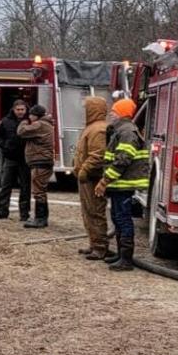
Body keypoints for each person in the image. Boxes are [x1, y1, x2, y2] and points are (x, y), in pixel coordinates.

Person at [95, 98, 149, 271]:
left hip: (123, 184)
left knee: (123, 219)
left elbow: (122, 160)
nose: (111, 114)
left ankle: (126, 259)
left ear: (121, 113)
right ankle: (121, 255)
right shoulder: (122, 130)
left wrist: (105, 181)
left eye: (114, 111)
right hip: (119, 184)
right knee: (118, 218)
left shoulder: (126, 132)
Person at [72, 96, 112, 259]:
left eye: (87, 108)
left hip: (92, 178)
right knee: (88, 211)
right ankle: (94, 243)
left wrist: (84, 170)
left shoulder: (98, 129)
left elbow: (98, 155)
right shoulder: (93, 127)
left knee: (95, 211)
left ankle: (100, 247)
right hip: (88, 178)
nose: (84, 111)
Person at [0, 98, 31, 222]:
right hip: (10, 158)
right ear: (13, 109)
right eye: (18, 109)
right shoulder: (6, 121)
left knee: (25, 187)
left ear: (26, 109)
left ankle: (24, 214)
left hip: (25, 159)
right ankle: (2, 211)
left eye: (22, 109)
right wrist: (4, 146)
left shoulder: (30, 121)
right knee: (5, 185)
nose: (20, 112)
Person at [17, 103, 55, 229]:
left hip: (40, 161)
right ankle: (42, 218)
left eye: (31, 115)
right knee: (41, 190)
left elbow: (21, 132)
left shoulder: (40, 125)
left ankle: (40, 219)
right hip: (43, 161)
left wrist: (23, 122)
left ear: (35, 116)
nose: (29, 117)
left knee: (38, 191)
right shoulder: (46, 124)